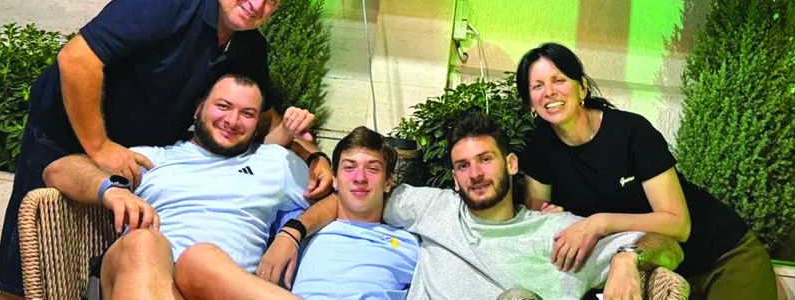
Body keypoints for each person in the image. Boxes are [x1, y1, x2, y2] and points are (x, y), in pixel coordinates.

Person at [0, 0, 333, 300]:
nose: (258, 3)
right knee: (27, 281)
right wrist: (100, 147)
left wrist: (313, 157)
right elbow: (77, 60)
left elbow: (265, 119)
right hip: (69, 130)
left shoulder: (249, 46)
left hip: (136, 156)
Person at [261, 111, 684, 300]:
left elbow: (669, 244)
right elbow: (352, 196)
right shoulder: (430, 208)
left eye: (485, 160)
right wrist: (292, 233)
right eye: (463, 166)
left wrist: (628, 258)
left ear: (511, 164)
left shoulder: (558, 231)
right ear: (453, 176)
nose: (475, 174)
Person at [514, 42, 776, 299]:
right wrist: (554, 219)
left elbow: (678, 224)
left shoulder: (631, 132)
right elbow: (537, 221)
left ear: (582, 87)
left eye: (558, 80)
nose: (549, 92)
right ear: (531, 103)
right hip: (662, 273)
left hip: (723, 256)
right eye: (538, 86)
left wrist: (598, 223)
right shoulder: (539, 148)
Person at [42, 69, 311, 299]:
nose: (232, 121)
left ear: (257, 124)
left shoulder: (275, 162)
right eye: (223, 106)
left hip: (222, 290)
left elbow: (332, 197)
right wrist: (110, 190)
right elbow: (58, 170)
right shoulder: (152, 159)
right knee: (143, 241)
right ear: (198, 109)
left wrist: (293, 232)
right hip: (146, 281)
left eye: (247, 113)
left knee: (200, 260)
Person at [173, 126, 420, 300]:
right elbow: (260, 155)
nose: (360, 178)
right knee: (196, 258)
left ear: (389, 182)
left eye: (373, 169)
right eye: (349, 167)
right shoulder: (302, 224)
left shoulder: (410, 244)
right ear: (334, 178)